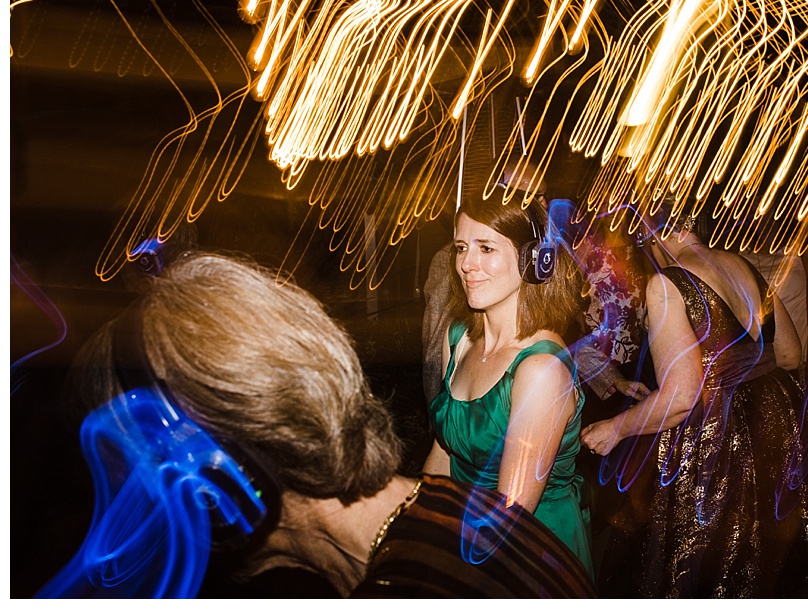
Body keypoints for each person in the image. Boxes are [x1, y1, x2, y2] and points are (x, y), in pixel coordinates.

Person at [53, 251, 596, 599]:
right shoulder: (434, 521)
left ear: (222, 470)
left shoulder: (425, 584)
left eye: (138, 488)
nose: (124, 532)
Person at [580, 202, 808, 598]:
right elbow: (790, 354)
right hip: (773, 432)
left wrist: (614, 429)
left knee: (701, 569)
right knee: (761, 564)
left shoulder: (667, 284)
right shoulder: (742, 265)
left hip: (717, 445)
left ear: (653, 232)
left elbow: (680, 397)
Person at [422, 192, 595, 577]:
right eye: (462, 247)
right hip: (465, 536)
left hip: (530, 556)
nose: (467, 264)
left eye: (486, 248)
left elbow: (508, 517)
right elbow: (443, 453)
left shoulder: (540, 370)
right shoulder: (459, 340)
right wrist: (412, 520)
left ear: (535, 259)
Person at [421, 165, 548, 406]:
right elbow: (435, 352)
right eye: (531, 196)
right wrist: (442, 414)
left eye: (543, 195)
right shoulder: (449, 262)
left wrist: (609, 378)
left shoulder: (540, 257)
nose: (543, 204)